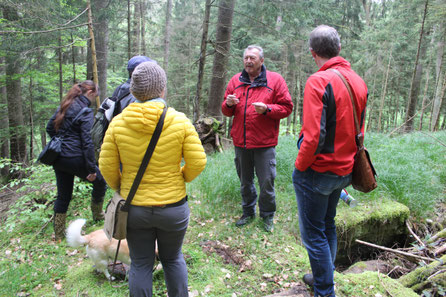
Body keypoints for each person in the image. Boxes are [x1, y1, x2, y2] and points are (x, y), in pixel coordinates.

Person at [99, 61, 206, 297]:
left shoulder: (118, 123)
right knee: (173, 258)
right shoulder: (179, 121)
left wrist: (121, 186)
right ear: (162, 89)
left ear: (133, 91)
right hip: (173, 207)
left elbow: (106, 166)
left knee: (140, 264)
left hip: (135, 208)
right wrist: (180, 178)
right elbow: (198, 162)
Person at [292, 25, 368, 297]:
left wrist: (300, 167)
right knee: (327, 225)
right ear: (338, 49)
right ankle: (323, 276)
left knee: (314, 234)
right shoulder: (357, 80)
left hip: (318, 171)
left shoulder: (318, 81)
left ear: (313, 53)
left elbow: (313, 137)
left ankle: (325, 290)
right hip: (345, 170)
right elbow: (360, 130)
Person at [221, 45, 293, 232]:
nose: (248, 61)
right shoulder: (236, 81)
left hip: (264, 143)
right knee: (245, 181)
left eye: (252, 58)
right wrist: (228, 104)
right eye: (246, 58)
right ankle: (248, 212)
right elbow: (226, 111)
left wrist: (268, 109)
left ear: (261, 60)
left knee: (266, 181)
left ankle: (267, 216)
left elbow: (287, 107)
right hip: (241, 143)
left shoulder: (275, 80)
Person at [46, 80, 107, 241]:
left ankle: (59, 234)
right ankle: (98, 215)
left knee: (63, 195)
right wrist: (91, 169)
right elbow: (87, 142)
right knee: (100, 181)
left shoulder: (65, 105)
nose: (94, 99)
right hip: (74, 157)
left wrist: (62, 141)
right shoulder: (85, 111)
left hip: (58, 158)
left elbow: (49, 128)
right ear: (90, 93)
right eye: (95, 96)